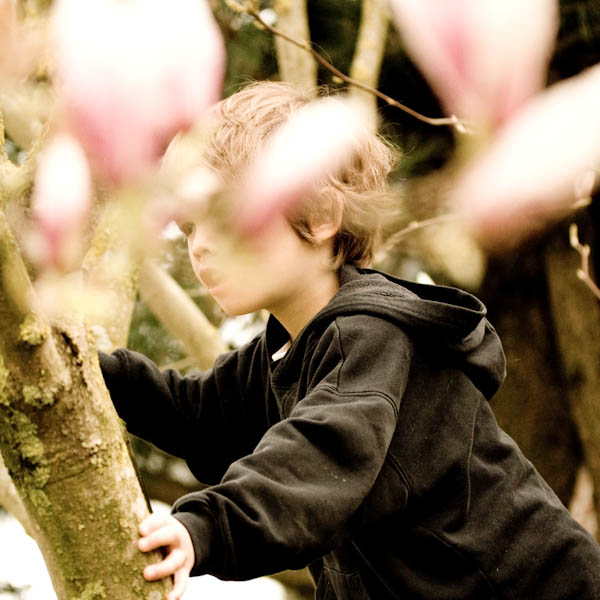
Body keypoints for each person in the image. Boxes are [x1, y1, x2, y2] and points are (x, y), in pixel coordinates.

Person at [99, 81, 600, 600]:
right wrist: (92, 371)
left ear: (319, 218)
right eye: (187, 227)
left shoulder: (371, 336)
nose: (198, 247)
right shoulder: (287, 350)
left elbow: (317, 457)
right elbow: (197, 417)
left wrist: (202, 529)